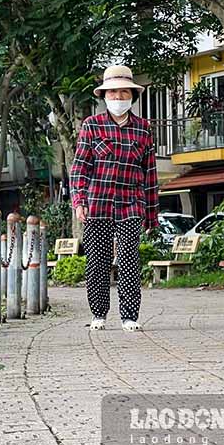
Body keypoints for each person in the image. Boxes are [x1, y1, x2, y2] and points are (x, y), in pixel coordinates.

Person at [70, 65, 158, 332]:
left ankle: (129, 316)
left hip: (131, 203)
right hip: (97, 204)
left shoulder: (143, 129)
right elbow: (79, 167)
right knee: (98, 261)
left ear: (132, 95)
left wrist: (151, 215)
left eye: (123, 92)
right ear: (104, 96)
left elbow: (150, 173)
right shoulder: (91, 126)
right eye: (113, 92)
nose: (118, 97)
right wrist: (79, 201)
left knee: (130, 259)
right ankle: (98, 314)